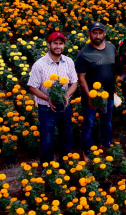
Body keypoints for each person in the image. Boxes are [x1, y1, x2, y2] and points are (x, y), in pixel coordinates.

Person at [27, 32, 78, 164]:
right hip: (46, 108)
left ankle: (65, 163)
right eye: (55, 43)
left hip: (65, 106)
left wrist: (67, 95)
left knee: (67, 136)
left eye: (61, 44)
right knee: (47, 139)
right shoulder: (40, 65)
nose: (58, 46)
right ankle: (47, 167)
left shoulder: (68, 62)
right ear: (48, 45)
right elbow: (32, 87)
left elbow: (74, 82)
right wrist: (47, 98)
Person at [75, 21, 117, 160]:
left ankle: (106, 144)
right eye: (95, 33)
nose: (98, 36)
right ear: (89, 34)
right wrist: (89, 97)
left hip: (108, 94)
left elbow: (113, 70)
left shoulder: (111, 47)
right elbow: (81, 78)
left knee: (107, 121)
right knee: (89, 123)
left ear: (104, 33)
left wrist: (114, 90)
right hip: (91, 96)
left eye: (100, 33)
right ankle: (87, 150)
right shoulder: (84, 53)